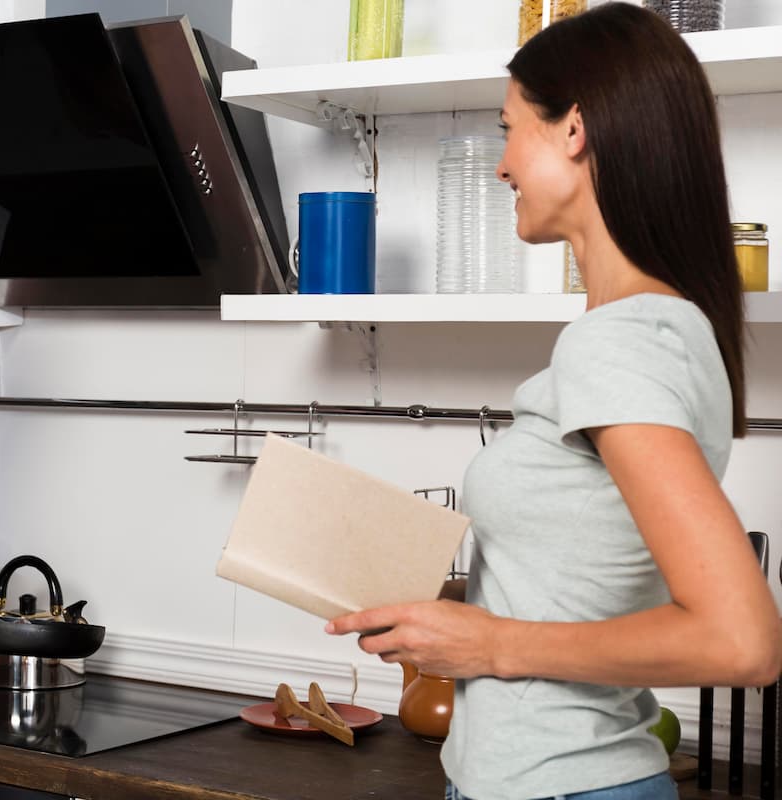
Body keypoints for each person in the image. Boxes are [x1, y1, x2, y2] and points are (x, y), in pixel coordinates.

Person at [326, 5, 781, 799]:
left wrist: (492, 644)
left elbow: (741, 641)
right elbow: (589, 576)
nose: (500, 165)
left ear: (574, 129)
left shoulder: (618, 341)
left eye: (509, 128)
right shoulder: (669, 326)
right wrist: (445, 616)